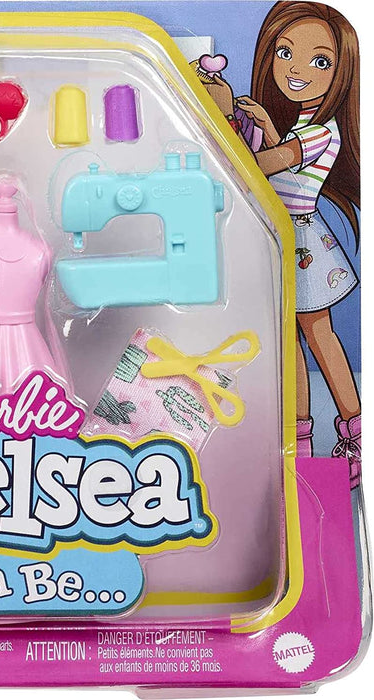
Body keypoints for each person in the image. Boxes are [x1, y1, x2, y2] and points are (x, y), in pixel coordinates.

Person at [205, 3, 360, 486]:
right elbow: (286, 165)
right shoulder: (305, 126)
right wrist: (267, 126)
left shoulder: (319, 131)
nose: (296, 69)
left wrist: (224, 112)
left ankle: (356, 435)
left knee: (319, 336)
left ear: (341, 72)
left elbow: (260, 168)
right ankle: (299, 438)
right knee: (291, 339)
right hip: (288, 239)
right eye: (285, 52)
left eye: (320, 61)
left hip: (305, 245)